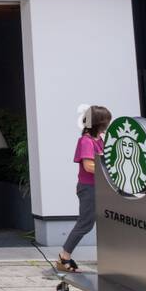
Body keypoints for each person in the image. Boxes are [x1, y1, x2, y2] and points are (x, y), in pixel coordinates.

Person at [57, 104, 112, 272]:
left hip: (99, 187)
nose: (108, 125)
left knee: (96, 222)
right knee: (85, 223)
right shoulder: (86, 141)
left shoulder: (99, 140)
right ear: (98, 123)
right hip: (89, 188)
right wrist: (111, 171)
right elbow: (88, 166)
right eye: (106, 122)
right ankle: (64, 257)